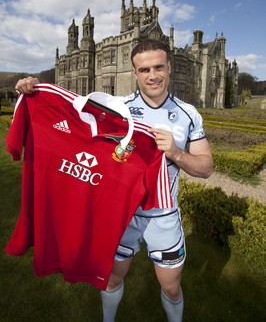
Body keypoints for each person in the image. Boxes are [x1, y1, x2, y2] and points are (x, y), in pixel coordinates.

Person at [15, 38, 213, 322]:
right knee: (110, 279)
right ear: (134, 73)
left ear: (169, 67)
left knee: (171, 287)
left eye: (159, 67)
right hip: (122, 214)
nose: (152, 75)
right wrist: (36, 89)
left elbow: (206, 167)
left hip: (163, 214)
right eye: (144, 70)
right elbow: (70, 114)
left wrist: (176, 153)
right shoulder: (116, 108)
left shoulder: (187, 114)